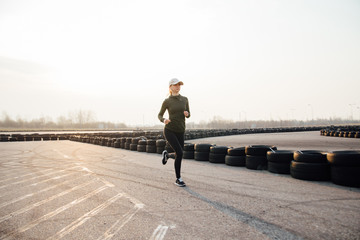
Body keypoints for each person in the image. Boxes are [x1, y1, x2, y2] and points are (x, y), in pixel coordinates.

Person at [158, 78, 190, 187]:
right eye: (175, 85)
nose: (178, 87)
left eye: (179, 85)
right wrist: (164, 120)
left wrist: (187, 114)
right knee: (180, 153)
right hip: (170, 130)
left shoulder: (185, 99)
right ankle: (178, 179)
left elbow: (189, 113)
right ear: (170, 87)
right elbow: (160, 115)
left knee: (180, 153)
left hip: (181, 130)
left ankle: (167, 155)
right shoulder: (167, 101)